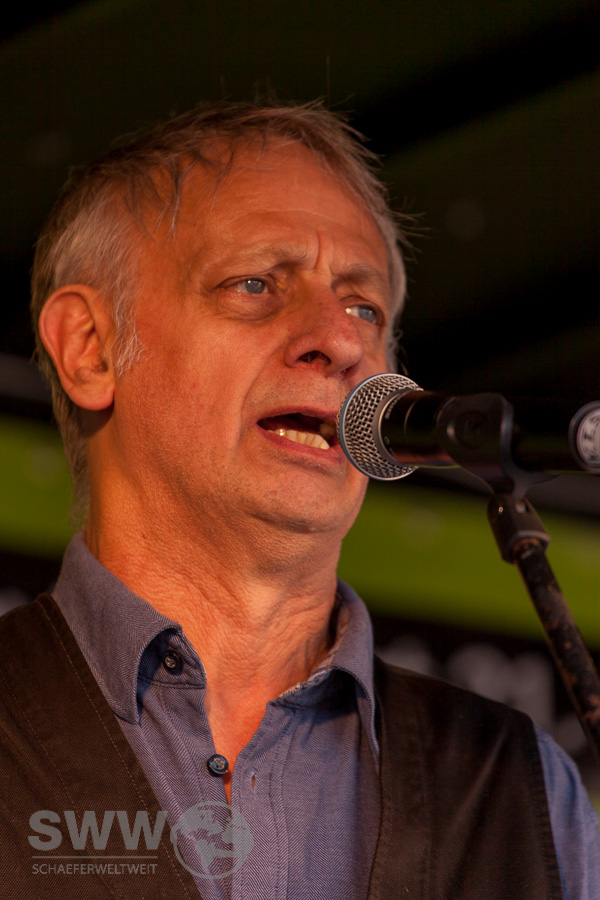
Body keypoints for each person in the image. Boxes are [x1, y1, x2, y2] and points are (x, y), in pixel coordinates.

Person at [0, 101, 598, 899]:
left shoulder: (525, 792)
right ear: (90, 349)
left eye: (364, 309)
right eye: (254, 285)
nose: (341, 340)